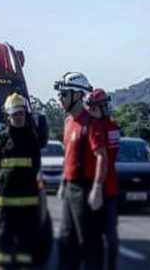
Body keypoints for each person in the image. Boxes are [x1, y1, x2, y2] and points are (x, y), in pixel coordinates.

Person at [54, 71, 107, 269]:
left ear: (77, 95)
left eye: (64, 94)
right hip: (71, 187)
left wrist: (97, 188)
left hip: (86, 188)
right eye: (60, 94)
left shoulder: (91, 122)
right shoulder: (68, 122)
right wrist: (63, 182)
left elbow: (102, 156)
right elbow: (68, 155)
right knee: (67, 240)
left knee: (89, 242)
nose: (60, 98)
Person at [0, 93, 42, 269]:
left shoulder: (31, 139)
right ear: (8, 117)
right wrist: (3, 182)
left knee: (26, 239)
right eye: (15, 114)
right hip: (6, 200)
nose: (19, 117)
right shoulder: (0, 140)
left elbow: (35, 165)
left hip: (28, 200)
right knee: (4, 237)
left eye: (21, 113)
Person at [84, 88, 121, 270]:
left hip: (108, 189)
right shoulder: (87, 127)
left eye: (103, 105)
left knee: (111, 237)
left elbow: (109, 156)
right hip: (88, 187)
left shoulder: (112, 127)